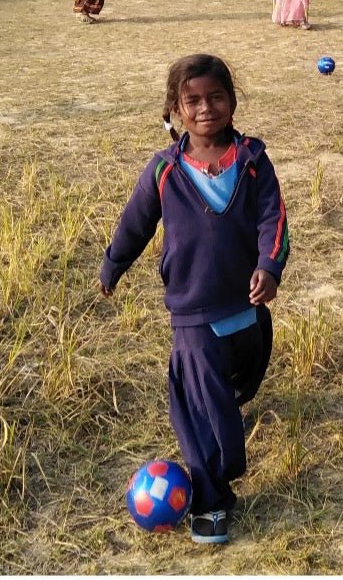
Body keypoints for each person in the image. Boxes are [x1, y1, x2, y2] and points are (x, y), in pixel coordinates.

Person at [99, 54, 289, 546]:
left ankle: (223, 425)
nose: (206, 108)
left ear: (231, 101)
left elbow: (276, 220)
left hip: (248, 313)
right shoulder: (164, 170)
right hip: (193, 316)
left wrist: (269, 267)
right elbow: (134, 223)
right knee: (201, 414)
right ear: (176, 109)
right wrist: (113, 263)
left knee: (234, 392)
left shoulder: (251, 161)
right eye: (193, 101)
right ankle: (211, 497)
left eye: (216, 97)